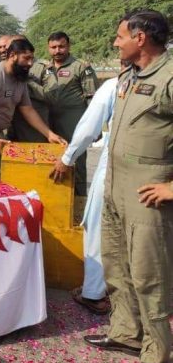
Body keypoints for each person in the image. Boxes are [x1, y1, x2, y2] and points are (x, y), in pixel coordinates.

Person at [84, 10, 173, 363]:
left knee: (148, 274)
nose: (115, 42)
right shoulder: (129, 75)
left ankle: (158, 352)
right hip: (117, 188)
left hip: (148, 194)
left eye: (120, 36)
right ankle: (126, 333)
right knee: (117, 266)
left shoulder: (168, 78)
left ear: (141, 39)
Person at [51, 69, 120, 315]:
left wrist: (68, 158)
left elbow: (89, 126)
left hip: (116, 168)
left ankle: (93, 293)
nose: (116, 45)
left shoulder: (117, 84)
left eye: (121, 39)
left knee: (97, 227)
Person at [0, 38, 66, 177]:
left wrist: (49, 134)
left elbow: (27, 109)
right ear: (13, 55)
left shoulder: (20, 77)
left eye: (32, 59)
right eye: (26, 58)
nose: (30, 63)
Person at [44, 32, 99, 196]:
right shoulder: (45, 68)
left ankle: (79, 204)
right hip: (49, 124)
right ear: (49, 48)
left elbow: (93, 99)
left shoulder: (81, 67)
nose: (57, 51)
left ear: (68, 46)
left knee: (77, 163)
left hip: (74, 123)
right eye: (53, 47)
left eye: (61, 46)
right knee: (51, 162)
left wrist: (96, 128)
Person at [9, 34, 51, 142]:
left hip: (33, 124)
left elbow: (49, 96)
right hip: (10, 122)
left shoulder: (43, 67)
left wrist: (27, 80)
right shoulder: (4, 68)